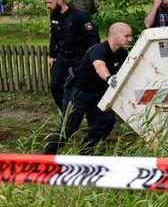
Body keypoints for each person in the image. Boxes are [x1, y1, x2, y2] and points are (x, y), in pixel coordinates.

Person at [43, 23, 133, 155]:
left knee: (107, 122)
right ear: (114, 35)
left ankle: (86, 148)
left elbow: (130, 70)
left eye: (130, 36)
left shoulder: (121, 53)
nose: (129, 39)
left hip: (100, 92)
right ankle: (49, 151)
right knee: (69, 128)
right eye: (126, 36)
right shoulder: (98, 49)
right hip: (78, 91)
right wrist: (108, 78)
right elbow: (99, 66)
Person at [45, 0, 100, 112]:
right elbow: (53, 37)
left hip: (79, 57)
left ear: (60, 1)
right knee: (55, 86)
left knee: (84, 87)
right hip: (62, 57)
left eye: (50, 3)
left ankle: (91, 119)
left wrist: (92, 57)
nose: (48, 6)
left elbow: (93, 37)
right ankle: (66, 113)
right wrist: (51, 56)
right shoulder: (54, 15)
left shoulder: (80, 16)